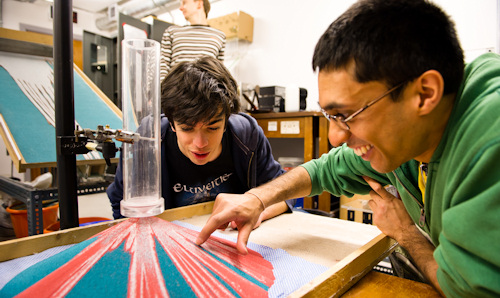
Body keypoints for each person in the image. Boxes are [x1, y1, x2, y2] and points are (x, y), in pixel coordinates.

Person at [195, 0, 500, 297]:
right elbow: (325, 170)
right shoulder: (410, 136)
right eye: (329, 115)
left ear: (424, 94)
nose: (335, 137)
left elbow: (468, 288)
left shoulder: (489, 139)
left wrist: (406, 232)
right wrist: (257, 198)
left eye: (346, 115)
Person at [107, 56, 295, 225]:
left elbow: (284, 191)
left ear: (227, 119)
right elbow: (120, 202)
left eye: (212, 128)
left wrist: (257, 210)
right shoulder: (149, 139)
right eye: (187, 128)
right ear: (172, 123)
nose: (200, 143)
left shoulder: (247, 135)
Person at [159, 0, 225, 82]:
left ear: (199, 3)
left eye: (184, 3)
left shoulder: (219, 36)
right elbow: (163, 66)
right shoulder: (172, 32)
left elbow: (220, 73)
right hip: (176, 91)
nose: (180, 8)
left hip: (206, 92)